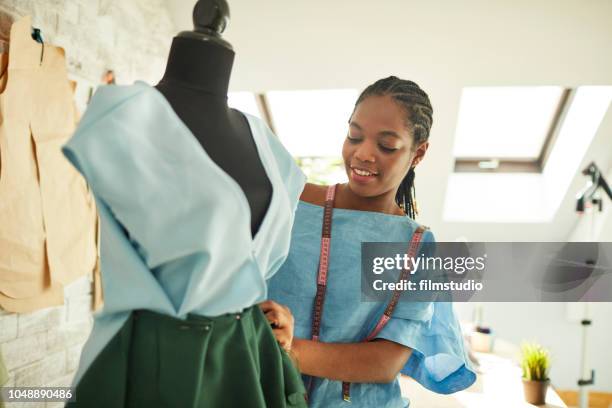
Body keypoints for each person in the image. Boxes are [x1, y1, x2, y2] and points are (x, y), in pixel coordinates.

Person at [268, 76, 477, 407]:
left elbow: (385, 362)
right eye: (354, 136)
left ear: (418, 153)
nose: (362, 154)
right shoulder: (290, 204)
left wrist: (290, 350)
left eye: (387, 145)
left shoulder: (416, 247)